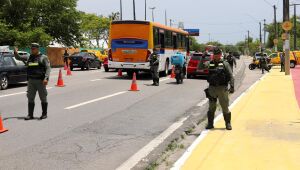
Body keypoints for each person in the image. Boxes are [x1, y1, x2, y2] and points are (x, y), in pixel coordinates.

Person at [14, 43, 51, 120]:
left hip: (40, 81)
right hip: (31, 81)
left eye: (33, 49)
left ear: (37, 49)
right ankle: (30, 115)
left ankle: (44, 114)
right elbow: (18, 57)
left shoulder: (43, 57)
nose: (32, 50)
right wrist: (15, 52)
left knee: (43, 97)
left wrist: (46, 78)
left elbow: (48, 68)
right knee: (30, 98)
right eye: (31, 49)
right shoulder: (29, 57)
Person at [204, 47, 234, 130]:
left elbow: (231, 75)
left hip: (222, 89)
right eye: (215, 55)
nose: (216, 56)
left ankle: (228, 124)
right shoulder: (210, 63)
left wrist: (232, 86)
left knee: (225, 107)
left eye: (218, 55)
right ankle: (210, 124)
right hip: (212, 89)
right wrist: (202, 58)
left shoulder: (225, 64)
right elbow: (200, 67)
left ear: (220, 55)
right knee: (211, 107)